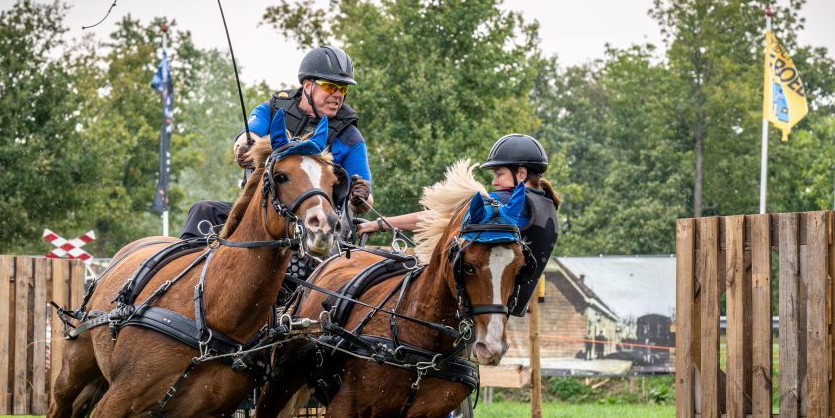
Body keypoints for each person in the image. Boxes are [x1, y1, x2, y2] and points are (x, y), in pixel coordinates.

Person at [181, 45, 373, 238]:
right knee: (203, 210)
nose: (338, 95)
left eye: (343, 88)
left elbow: (367, 201)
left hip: (315, 224)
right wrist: (245, 149)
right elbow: (247, 138)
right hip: (259, 214)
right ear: (308, 86)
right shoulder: (272, 109)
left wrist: (360, 199)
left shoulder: (350, 137)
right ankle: (189, 266)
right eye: (331, 87)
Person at [359, 134, 560, 315]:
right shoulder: (546, 204)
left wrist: (378, 224)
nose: (495, 182)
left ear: (522, 174)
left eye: (499, 174)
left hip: (476, 302)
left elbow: (435, 218)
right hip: (500, 301)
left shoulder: (506, 205)